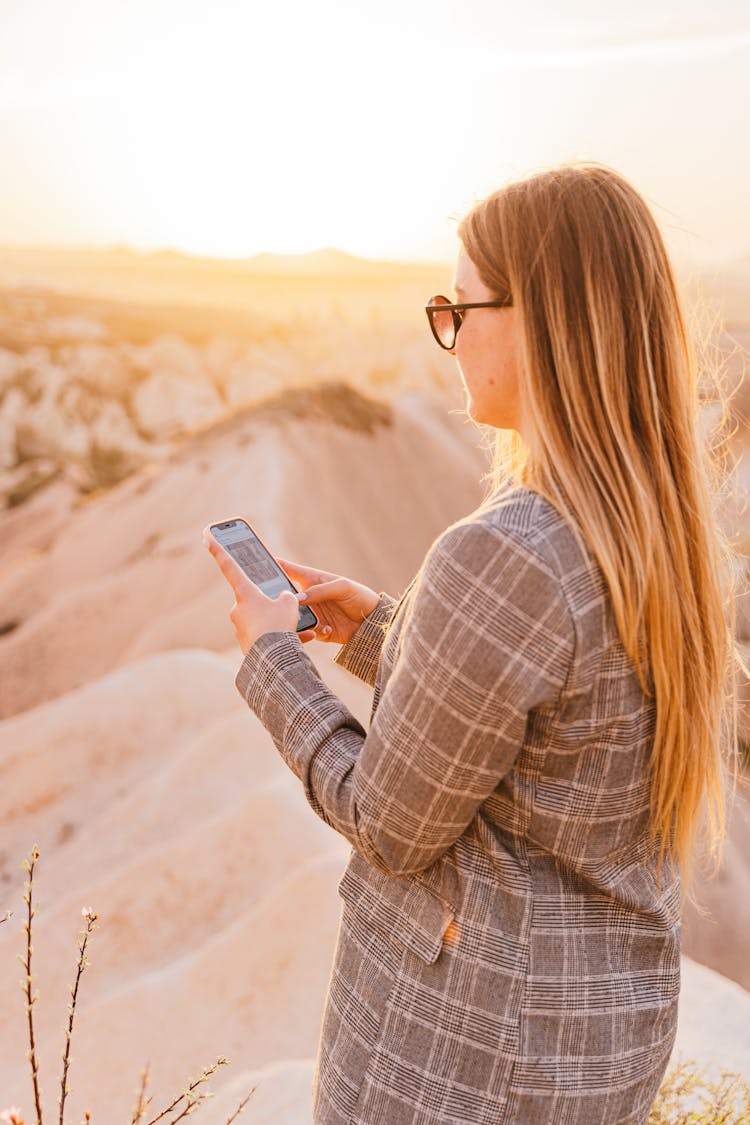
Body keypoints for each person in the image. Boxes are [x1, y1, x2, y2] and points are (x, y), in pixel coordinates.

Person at [202, 161, 744, 1124]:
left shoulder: (503, 552)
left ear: (542, 318)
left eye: (459, 308)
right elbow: (552, 734)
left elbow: (389, 823)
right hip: (596, 1045)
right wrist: (381, 629)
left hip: (464, 1060)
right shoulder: (659, 533)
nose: (447, 337)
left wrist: (270, 657)